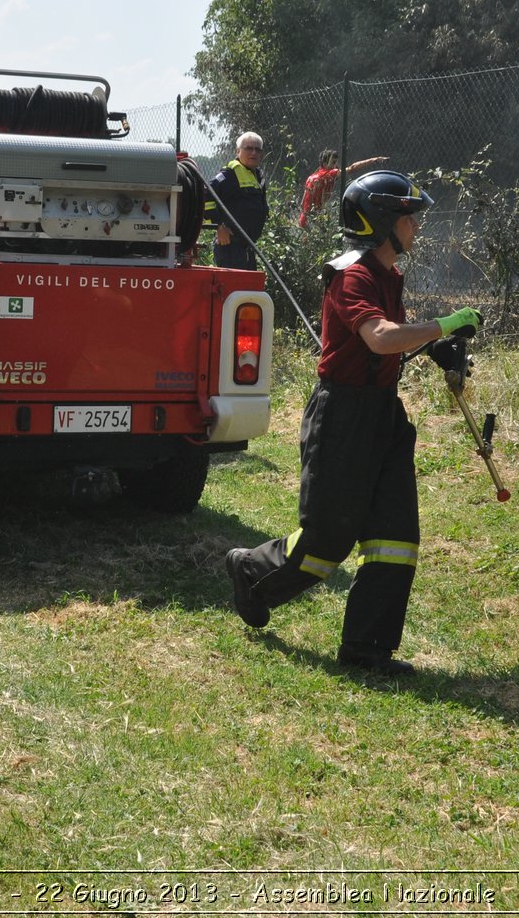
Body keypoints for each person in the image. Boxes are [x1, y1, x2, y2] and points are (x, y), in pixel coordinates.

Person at [223, 170, 481, 675]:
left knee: (395, 538)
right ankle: (251, 571)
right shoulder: (352, 275)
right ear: (384, 221)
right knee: (327, 539)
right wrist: (445, 323)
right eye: (409, 217)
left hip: (383, 413)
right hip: (342, 417)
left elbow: (392, 341)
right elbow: (380, 338)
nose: (415, 227)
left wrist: (434, 346)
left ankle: (367, 649)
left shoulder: (387, 275)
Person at [204, 132, 270, 270]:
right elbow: (205, 194)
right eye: (248, 148)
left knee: (248, 289)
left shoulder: (257, 175)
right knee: (234, 289)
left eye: (257, 149)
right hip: (230, 248)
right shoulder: (229, 175)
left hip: (247, 247)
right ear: (238, 151)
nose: (254, 152)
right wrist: (219, 226)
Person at [297, 149, 388, 226]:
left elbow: (302, 203)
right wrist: (374, 160)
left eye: (336, 162)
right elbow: (352, 168)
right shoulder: (329, 174)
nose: (336, 166)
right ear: (324, 163)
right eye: (333, 162)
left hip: (304, 218)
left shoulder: (311, 177)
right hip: (312, 220)